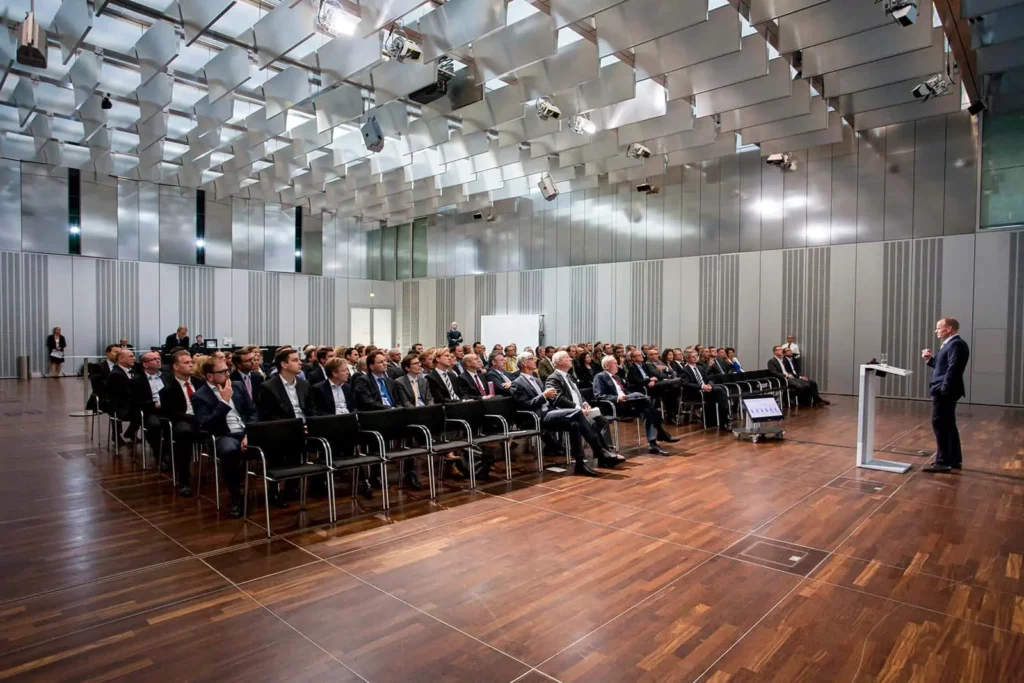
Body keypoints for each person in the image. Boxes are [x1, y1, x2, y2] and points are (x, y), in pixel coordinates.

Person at [511, 352, 611, 476]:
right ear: (524, 363)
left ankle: (580, 464)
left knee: (574, 424)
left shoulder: (537, 380)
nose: (535, 360)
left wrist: (549, 397)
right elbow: (526, 405)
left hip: (550, 412)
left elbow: (552, 398)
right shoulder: (517, 383)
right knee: (577, 412)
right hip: (537, 417)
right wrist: (543, 396)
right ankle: (599, 449)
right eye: (531, 359)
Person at [192, 357, 258, 518]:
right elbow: (205, 424)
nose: (227, 374)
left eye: (227, 370)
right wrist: (224, 401)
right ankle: (236, 497)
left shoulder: (238, 386)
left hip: (245, 431)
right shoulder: (199, 396)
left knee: (278, 439)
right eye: (222, 372)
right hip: (223, 434)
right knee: (229, 451)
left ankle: (277, 490)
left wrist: (250, 433)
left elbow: (253, 412)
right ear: (210, 376)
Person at [546, 351, 623, 468]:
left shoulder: (569, 376)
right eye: (567, 357)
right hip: (569, 413)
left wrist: (585, 403)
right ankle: (603, 453)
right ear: (559, 362)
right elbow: (558, 399)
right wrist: (578, 408)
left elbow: (577, 394)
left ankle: (605, 453)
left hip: (581, 410)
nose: (571, 359)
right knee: (590, 422)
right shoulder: (553, 378)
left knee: (600, 420)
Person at [593, 355, 678, 455]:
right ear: (607, 366)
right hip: (616, 407)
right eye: (615, 363)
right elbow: (598, 396)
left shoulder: (617, 377)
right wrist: (618, 398)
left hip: (628, 404)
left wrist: (626, 395)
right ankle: (662, 433)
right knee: (643, 398)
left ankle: (652, 444)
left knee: (647, 411)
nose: (617, 365)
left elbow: (625, 391)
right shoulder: (600, 377)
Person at [921, 318, 970, 473]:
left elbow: (953, 368)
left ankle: (943, 462)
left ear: (949, 329)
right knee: (948, 425)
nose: (936, 331)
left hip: (945, 391)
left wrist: (944, 389)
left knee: (940, 424)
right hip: (945, 389)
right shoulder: (951, 344)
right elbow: (944, 366)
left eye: (938, 328)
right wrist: (929, 360)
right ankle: (954, 460)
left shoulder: (955, 344)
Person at [158, 350, 202, 496]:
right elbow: (172, 413)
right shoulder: (167, 389)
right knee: (183, 433)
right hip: (183, 420)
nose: (191, 365)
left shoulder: (200, 383)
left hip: (203, 418)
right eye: (186, 363)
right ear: (176, 367)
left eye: (191, 362)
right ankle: (184, 479)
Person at [258, 347, 313, 421]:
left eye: (299, 359)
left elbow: (312, 410)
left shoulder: (304, 384)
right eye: (295, 360)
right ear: (284, 364)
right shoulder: (268, 387)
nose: (300, 363)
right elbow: (269, 416)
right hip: (285, 427)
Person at [680, 350, 731, 430]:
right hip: (695, 393)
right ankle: (725, 420)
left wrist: (710, 385)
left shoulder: (700, 368)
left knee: (721, 390)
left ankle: (724, 419)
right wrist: (702, 386)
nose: (696, 358)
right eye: (693, 356)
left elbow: (708, 379)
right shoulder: (685, 370)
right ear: (687, 359)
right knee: (719, 391)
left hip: (705, 390)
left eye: (696, 355)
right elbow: (686, 384)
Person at [105, 348, 139, 447]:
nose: (134, 358)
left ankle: (131, 432)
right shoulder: (116, 374)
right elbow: (122, 394)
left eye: (134, 356)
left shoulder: (133, 371)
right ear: (120, 359)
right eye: (130, 356)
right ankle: (129, 432)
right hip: (120, 406)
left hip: (130, 402)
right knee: (144, 409)